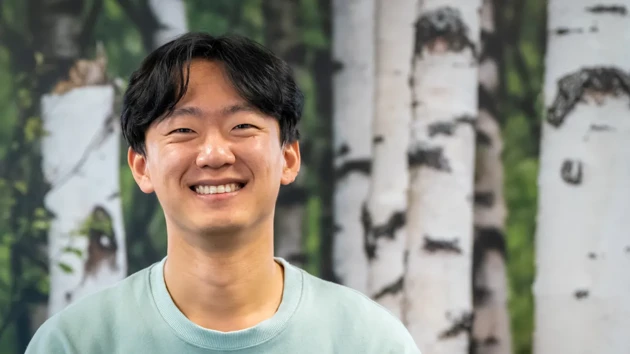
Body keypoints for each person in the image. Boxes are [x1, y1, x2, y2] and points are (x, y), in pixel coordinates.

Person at [25, 32, 421, 354]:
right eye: (183, 130)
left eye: (242, 126)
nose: (214, 153)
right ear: (142, 167)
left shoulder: (370, 341)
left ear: (288, 157)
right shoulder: (74, 342)